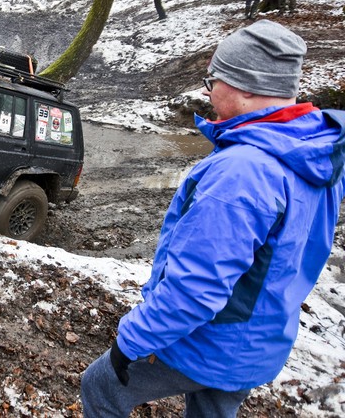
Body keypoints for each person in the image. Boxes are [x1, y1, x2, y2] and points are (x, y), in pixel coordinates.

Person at [80, 20, 345, 418]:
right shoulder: (318, 154)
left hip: (206, 344)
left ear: (247, 86)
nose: (207, 90)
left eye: (213, 79)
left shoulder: (242, 172)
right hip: (260, 344)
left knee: (100, 387)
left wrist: (129, 343)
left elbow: (195, 288)